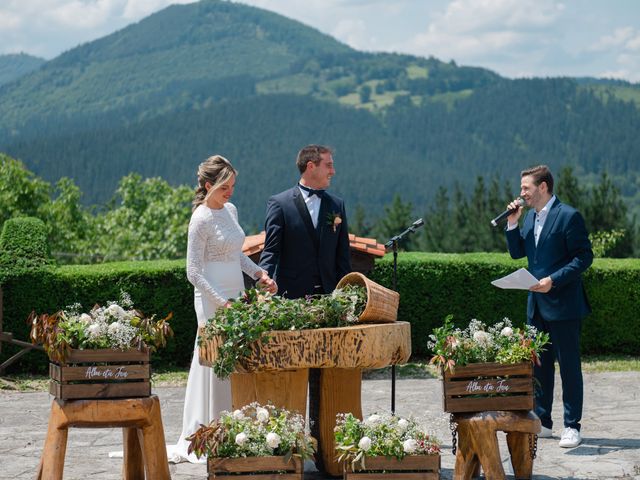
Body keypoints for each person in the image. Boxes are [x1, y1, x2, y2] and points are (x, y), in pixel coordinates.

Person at [167, 155, 276, 463]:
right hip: (211, 297)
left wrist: (258, 273)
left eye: (233, 185)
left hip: (236, 292)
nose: (231, 191)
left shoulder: (230, 210)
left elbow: (235, 255)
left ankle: (235, 426)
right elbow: (193, 271)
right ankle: (208, 432)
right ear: (207, 185)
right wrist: (221, 301)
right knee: (214, 362)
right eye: (225, 186)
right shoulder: (200, 219)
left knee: (237, 357)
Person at [259, 144, 352, 470]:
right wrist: (265, 285)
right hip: (290, 304)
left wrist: (346, 297)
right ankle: (288, 447)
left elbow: (343, 258)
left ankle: (327, 444)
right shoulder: (280, 204)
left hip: (329, 304)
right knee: (292, 374)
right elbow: (270, 252)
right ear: (311, 166)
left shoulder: (336, 205)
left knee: (327, 374)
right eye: (328, 164)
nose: (332, 170)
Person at [504, 165, 593, 449]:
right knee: (539, 366)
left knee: (569, 367)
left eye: (526, 188)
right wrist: (513, 223)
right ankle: (543, 422)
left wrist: (553, 280)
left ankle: (572, 426)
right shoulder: (528, 218)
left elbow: (583, 258)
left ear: (543, 187)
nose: (522, 194)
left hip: (565, 305)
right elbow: (519, 252)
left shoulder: (569, 216)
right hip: (536, 307)